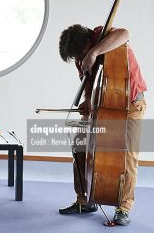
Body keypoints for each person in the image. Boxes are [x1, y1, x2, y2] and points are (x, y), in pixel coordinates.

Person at [57, 24, 147, 226]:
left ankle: (123, 207)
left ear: (89, 42)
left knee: (127, 157)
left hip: (131, 104)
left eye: (81, 55)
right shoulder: (81, 57)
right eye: (77, 59)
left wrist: (95, 52)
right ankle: (84, 200)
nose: (80, 61)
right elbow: (89, 79)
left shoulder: (103, 34)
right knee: (79, 146)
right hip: (102, 104)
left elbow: (126, 34)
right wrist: (88, 100)